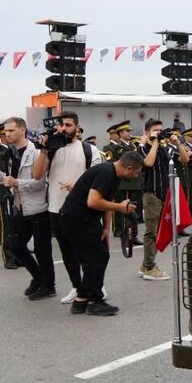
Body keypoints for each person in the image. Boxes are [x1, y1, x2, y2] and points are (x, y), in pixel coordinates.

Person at [58, 151, 145, 316]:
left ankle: (81, 300)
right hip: (76, 218)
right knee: (96, 258)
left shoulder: (113, 174)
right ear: (128, 168)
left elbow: (107, 201)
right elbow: (93, 201)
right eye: (136, 172)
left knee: (97, 256)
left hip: (83, 219)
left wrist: (106, 228)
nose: (136, 176)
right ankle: (94, 301)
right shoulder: (106, 172)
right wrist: (121, 207)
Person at [32, 112, 101, 303]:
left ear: (77, 127)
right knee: (67, 251)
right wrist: (44, 150)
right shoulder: (52, 149)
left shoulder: (89, 150)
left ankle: (94, 284)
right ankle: (77, 286)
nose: (64, 129)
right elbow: (37, 175)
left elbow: (97, 178)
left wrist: (78, 186)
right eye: (61, 125)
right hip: (56, 208)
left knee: (85, 251)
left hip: (82, 209)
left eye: (68, 125)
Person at [0, 118, 56, 299]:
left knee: (42, 249)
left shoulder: (36, 151)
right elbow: (8, 180)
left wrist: (17, 182)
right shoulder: (10, 152)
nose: (7, 134)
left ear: (22, 130)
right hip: (19, 206)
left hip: (38, 207)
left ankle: (48, 286)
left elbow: (40, 182)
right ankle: (38, 278)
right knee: (15, 245)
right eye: (5, 131)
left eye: (11, 131)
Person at [138, 118, 191, 280]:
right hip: (151, 194)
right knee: (151, 232)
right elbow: (148, 162)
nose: (160, 133)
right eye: (156, 130)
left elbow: (185, 160)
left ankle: (145, 263)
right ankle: (149, 267)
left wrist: (177, 143)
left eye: (161, 130)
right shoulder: (142, 148)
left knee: (159, 232)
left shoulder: (165, 149)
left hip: (164, 195)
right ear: (147, 132)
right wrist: (153, 142)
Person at [102, 121, 143, 239]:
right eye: (127, 131)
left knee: (132, 208)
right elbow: (117, 162)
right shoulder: (109, 147)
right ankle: (118, 228)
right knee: (119, 207)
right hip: (121, 183)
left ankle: (132, 232)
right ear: (119, 133)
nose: (130, 133)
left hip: (134, 182)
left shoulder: (131, 145)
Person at [0, 124, 21, 270]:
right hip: (4, 193)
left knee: (20, 227)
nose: (8, 136)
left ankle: (19, 255)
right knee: (7, 228)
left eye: (10, 132)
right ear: (1, 136)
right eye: (5, 134)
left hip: (20, 191)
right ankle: (9, 258)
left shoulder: (18, 149)